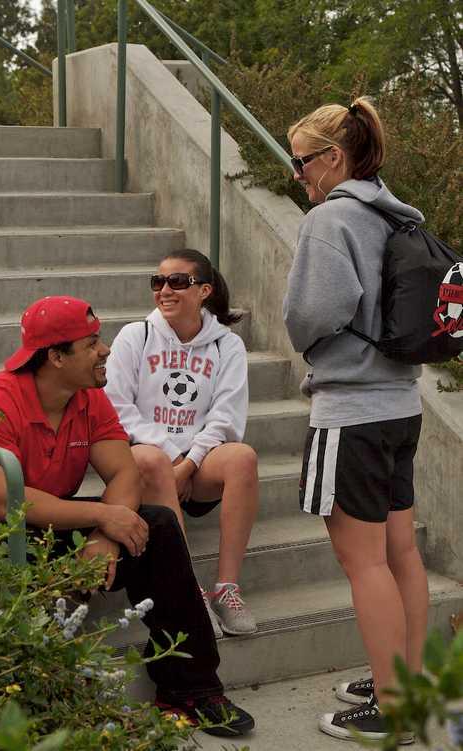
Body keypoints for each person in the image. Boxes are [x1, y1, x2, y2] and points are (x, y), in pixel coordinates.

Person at [0, 295, 255, 737]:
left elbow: (124, 471)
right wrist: (101, 517)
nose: (105, 351)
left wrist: (105, 533)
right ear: (55, 357)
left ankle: (190, 690)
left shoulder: (88, 396)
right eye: (91, 343)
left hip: (51, 525)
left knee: (157, 526)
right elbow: (3, 502)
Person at [283, 98, 427, 744]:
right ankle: (404, 676)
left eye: (302, 162)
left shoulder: (330, 219)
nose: (298, 176)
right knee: (401, 552)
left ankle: (391, 708)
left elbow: (310, 315)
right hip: (402, 404)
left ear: (333, 158)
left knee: (363, 562)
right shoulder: (395, 214)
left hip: (352, 413)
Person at [104, 249, 259, 638]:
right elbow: (118, 408)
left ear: (204, 290)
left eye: (178, 282)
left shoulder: (227, 346)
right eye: (158, 282)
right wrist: (173, 456)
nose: (165, 290)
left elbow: (226, 418)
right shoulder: (135, 336)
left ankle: (227, 587)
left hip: (197, 466)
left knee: (242, 457)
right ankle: (190, 592)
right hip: (150, 464)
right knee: (150, 459)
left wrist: (190, 464)